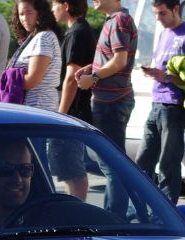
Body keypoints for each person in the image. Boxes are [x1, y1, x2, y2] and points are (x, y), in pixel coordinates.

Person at [136, 0, 185, 204]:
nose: (158, 18)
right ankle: (140, 209)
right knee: (143, 161)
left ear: (176, 9)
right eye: (156, 14)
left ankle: (167, 211)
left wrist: (166, 77)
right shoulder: (163, 33)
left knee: (168, 163)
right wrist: (154, 72)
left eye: (162, 13)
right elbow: (164, 67)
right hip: (156, 103)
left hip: (174, 106)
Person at [75, 0, 136, 216]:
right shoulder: (114, 20)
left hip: (111, 102)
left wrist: (93, 77)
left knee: (112, 166)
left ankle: (115, 217)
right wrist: (94, 67)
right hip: (110, 101)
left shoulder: (119, 20)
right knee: (111, 163)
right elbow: (115, 60)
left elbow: (120, 61)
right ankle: (119, 214)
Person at [49, 0, 95, 199]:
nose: (52, 9)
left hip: (73, 110)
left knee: (72, 170)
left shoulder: (76, 33)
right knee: (69, 172)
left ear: (66, 6)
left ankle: (77, 214)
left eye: (54, 5)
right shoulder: (79, 30)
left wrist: (61, 114)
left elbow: (71, 77)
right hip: (76, 109)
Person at [0, 0, 62, 113]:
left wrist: (0, 83)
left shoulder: (43, 38)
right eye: (21, 14)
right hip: (30, 108)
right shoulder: (34, 37)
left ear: (41, 13)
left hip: (38, 108)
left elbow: (33, 80)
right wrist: (2, 79)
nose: (24, 18)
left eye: (29, 13)